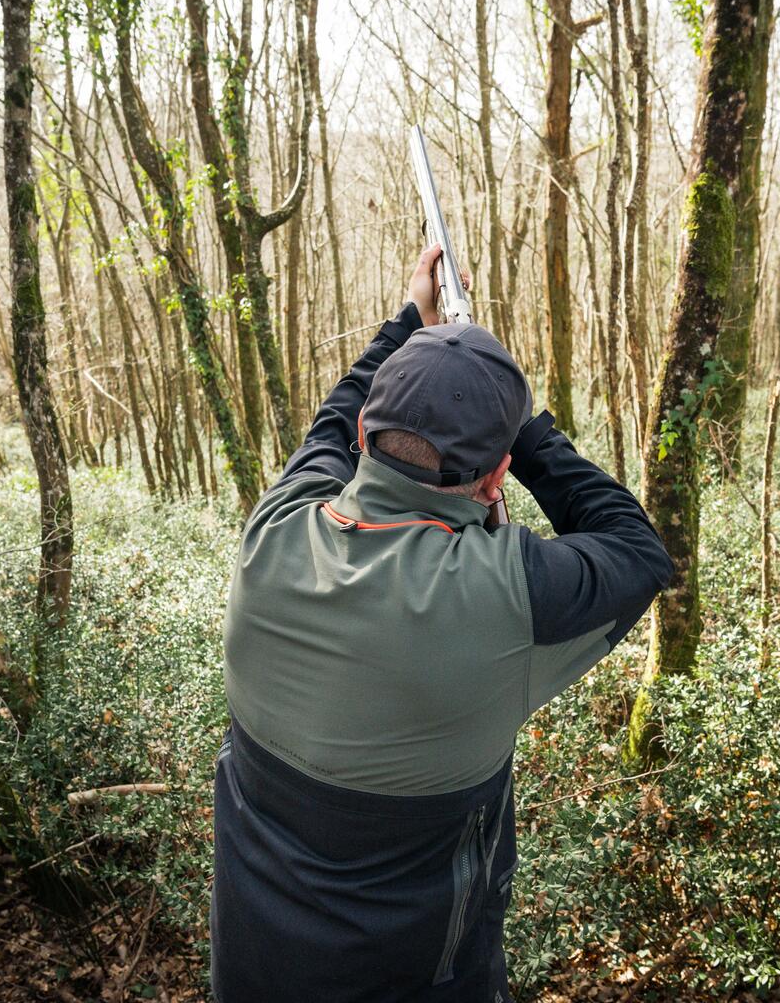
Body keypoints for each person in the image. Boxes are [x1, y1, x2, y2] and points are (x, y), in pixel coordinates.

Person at [211, 244, 673, 1002]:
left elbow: (333, 419)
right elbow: (637, 548)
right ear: (495, 476)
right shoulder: (508, 595)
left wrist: (412, 321)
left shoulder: (276, 530)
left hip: (253, 974)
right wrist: (522, 427)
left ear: (366, 435)